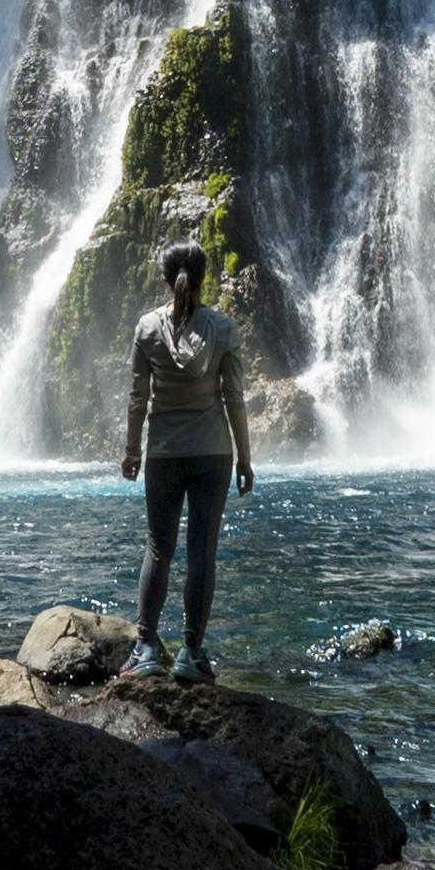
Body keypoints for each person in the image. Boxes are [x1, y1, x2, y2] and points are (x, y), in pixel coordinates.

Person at [118, 237, 253, 681]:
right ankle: (191, 654)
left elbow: (139, 398)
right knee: (202, 553)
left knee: (158, 547)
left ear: (165, 277)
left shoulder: (146, 329)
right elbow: (234, 399)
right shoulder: (223, 329)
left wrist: (131, 450)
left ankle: (145, 649)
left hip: (164, 453)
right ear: (203, 278)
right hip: (213, 452)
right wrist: (245, 459)